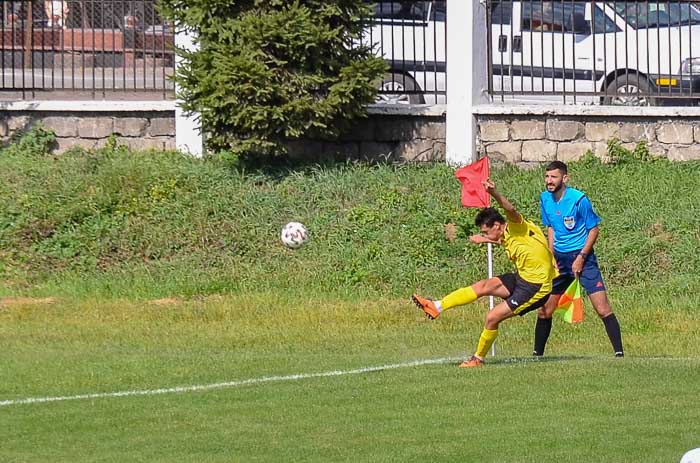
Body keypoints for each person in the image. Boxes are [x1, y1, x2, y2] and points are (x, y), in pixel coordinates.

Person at [412, 178, 558, 368]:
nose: (485, 234)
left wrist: (494, 193)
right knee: (483, 286)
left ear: (497, 225)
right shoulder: (506, 235)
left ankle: (478, 359)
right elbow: (506, 241)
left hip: (536, 287)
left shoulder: (516, 225)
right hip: (522, 278)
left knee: (492, 317)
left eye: (486, 231)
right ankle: (436, 306)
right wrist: (485, 240)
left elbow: (511, 210)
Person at [533, 161, 624, 357]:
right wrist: (551, 255)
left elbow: (594, 228)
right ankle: (537, 356)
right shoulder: (544, 199)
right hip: (559, 259)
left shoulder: (579, 199)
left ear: (564, 178)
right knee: (545, 310)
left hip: (583, 257)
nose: (549, 181)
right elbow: (550, 227)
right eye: (547, 177)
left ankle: (619, 354)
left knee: (602, 308)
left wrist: (582, 257)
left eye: (553, 177)